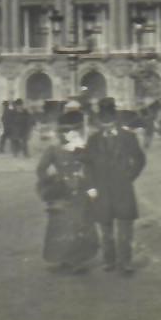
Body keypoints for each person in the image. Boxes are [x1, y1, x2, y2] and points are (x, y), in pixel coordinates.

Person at [84, 98, 147, 275]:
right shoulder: (93, 140)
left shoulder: (128, 137)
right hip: (101, 188)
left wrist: (130, 176)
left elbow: (140, 160)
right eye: (103, 121)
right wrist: (90, 186)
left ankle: (125, 262)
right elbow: (87, 165)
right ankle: (109, 261)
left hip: (122, 188)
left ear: (115, 119)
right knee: (105, 229)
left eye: (110, 120)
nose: (106, 124)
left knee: (125, 229)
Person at [37, 114, 98, 272]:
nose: (74, 135)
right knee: (63, 225)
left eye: (76, 132)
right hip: (63, 190)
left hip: (81, 189)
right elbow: (41, 169)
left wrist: (92, 187)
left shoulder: (83, 149)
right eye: (70, 132)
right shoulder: (53, 150)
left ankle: (77, 259)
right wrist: (52, 181)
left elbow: (91, 168)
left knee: (81, 223)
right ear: (63, 134)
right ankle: (63, 257)